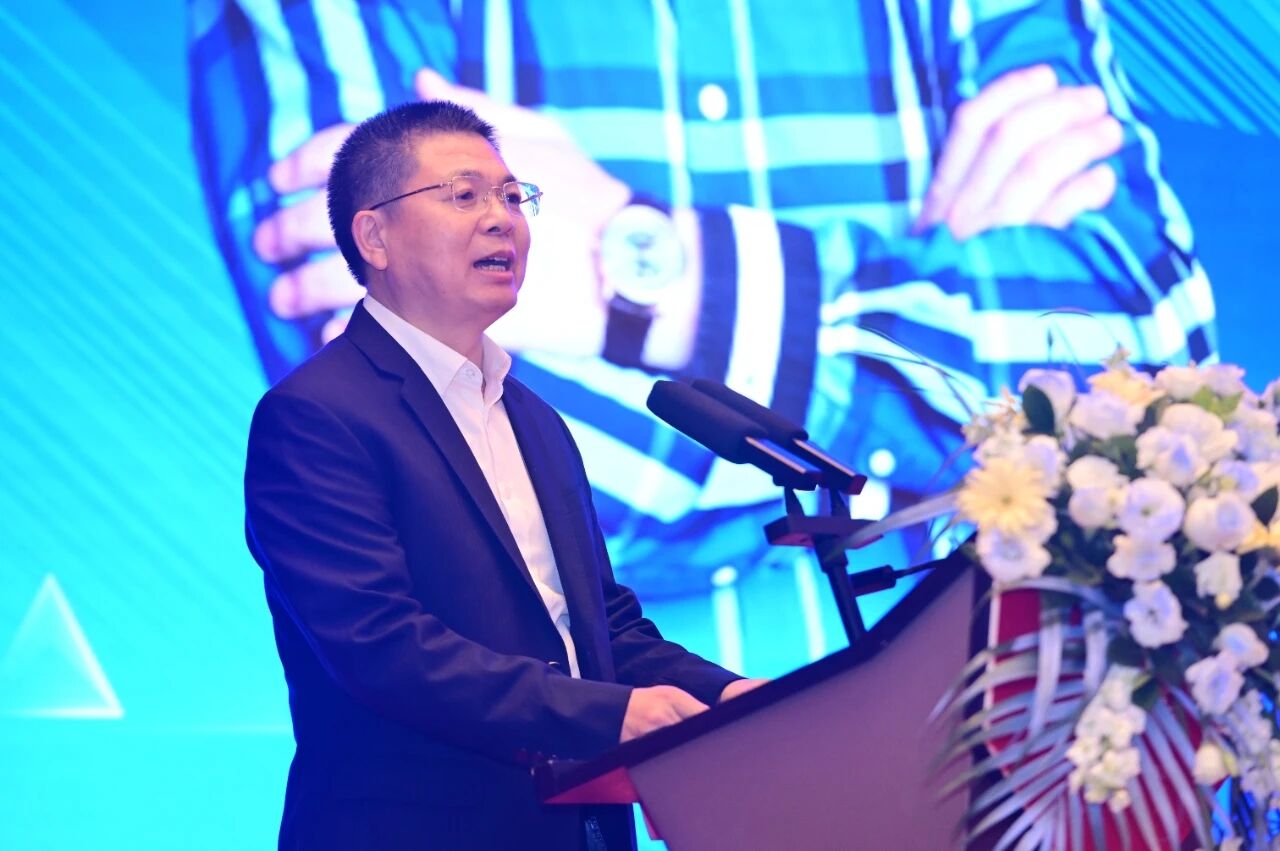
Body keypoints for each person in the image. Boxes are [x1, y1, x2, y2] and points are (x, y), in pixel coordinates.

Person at [195, 0, 1217, 597]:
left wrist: (642, 271)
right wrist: (946, 418)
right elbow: (438, 475)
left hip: (985, 785)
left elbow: (1145, 375)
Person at [244, 100, 759, 850]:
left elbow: (599, 627)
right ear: (374, 236)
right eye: (464, 195)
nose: (502, 219)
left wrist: (729, 695)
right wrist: (606, 715)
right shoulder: (316, 416)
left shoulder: (534, 419)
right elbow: (381, 645)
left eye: (514, 197)